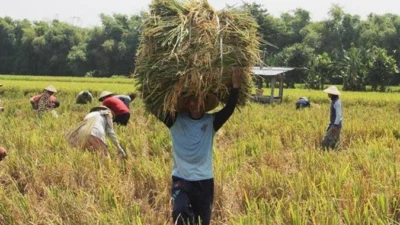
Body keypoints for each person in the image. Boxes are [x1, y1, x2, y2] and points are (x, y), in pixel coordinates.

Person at [155, 68, 243, 225]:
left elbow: (229, 109)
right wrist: (162, 80)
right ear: (187, 103)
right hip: (181, 180)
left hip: (204, 180)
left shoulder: (212, 122)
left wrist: (235, 86)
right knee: (179, 212)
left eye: (200, 100)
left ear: (205, 103)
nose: (196, 104)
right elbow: (154, 105)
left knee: (203, 221)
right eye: (192, 100)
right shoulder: (174, 120)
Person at [321, 86, 343, 150]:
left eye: (329, 93)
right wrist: (330, 125)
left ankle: (328, 154)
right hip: (333, 125)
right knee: (334, 142)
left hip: (335, 126)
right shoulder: (334, 101)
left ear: (332, 94)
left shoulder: (337, 102)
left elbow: (339, 115)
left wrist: (335, 125)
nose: (328, 94)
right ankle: (334, 155)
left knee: (325, 142)